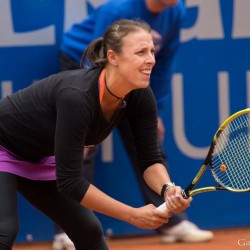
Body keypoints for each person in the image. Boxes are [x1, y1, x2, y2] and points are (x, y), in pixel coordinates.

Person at [0, 19, 192, 250]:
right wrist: (131, 215)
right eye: (140, 52)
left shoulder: (141, 96)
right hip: (3, 143)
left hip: (38, 156)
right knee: (4, 230)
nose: (150, 59)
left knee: (89, 231)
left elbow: (151, 161)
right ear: (113, 57)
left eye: (151, 51)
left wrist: (167, 189)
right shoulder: (78, 97)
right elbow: (70, 182)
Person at [52, 0, 214, 249]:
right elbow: (96, 63)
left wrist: (155, 110)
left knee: (148, 146)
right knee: (82, 149)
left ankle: (171, 221)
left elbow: (163, 62)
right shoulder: (117, 11)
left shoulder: (176, 11)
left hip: (132, 71)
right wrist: (91, 113)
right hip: (83, 65)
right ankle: (68, 230)